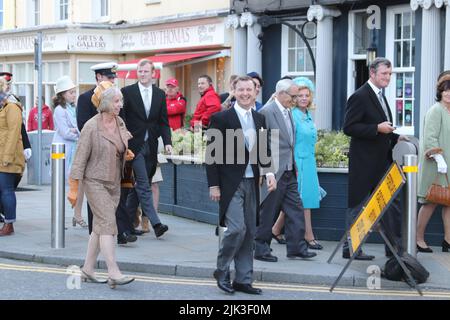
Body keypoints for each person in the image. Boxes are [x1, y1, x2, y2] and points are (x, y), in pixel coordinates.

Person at [206, 76, 277, 295]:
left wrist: (270, 173)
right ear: (233, 91)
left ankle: (243, 280)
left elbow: (263, 150)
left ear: (256, 92)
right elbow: (212, 156)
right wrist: (214, 186)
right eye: (241, 89)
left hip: (252, 182)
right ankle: (222, 269)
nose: (245, 93)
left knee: (249, 232)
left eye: (249, 89)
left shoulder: (259, 118)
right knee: (236, 229)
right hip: (230, 184)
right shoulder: (221, 118)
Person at [67, 81, 135, 288]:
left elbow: (123, 148)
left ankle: (87, 268)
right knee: (108, 224)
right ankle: (113, 271)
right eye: (116, 101)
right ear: (105, 102)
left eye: (120, 101)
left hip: (114, 182)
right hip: (94, 181)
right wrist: (75, 192)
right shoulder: (91, 126)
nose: (120, 105)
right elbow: (78, 161)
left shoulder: (119, 122)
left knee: (99, 228)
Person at [343, 57, 406, 260]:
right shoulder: (360, 96)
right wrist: (377, 128)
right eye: (384, 74)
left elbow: (381, 126)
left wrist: (396, 137)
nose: (387, 77)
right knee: (359, 205)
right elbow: (349, 128)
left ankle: (394, 250)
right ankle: (351, 248)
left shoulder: (380, 95)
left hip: (382, 162)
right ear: (372, 73)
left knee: (390, 204)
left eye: (389, 74)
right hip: (364, 163)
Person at [254, 78, 317, 262]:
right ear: (281, 94)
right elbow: (261, 144)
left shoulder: (288, 111)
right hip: (274, 172)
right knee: (268, 212)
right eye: (293, 96)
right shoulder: (266, 112)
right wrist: (267, 172)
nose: (296, 99)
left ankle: (297, 248)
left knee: (296, 209)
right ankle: (261, 249)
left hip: (289, 170)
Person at [121, 59, 172, 239]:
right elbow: (122, 118)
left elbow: (163, 122)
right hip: (133, 146)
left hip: (151, 145)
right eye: (140, 71)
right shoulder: (127, 92)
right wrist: (124, 135)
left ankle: (124, 225)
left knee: (136, 189)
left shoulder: (159, 94)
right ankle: (156, 224)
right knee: (143, 184)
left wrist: (167, 142)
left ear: (153, 74)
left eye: (145, 71)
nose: (142, 74)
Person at [76, 62, 118, 234]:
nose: (113, 81)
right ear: (99, 77)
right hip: (94, 155)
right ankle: (96, 230)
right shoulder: (86, 98)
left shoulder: (116, 97)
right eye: (109, 77)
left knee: (114, 193)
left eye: (114, 78)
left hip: (113, 155)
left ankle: (117, 230)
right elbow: (82, 125)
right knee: (94, 194)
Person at [416, 73, 450, 253]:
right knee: (431, 202)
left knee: (449, 202)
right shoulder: (436, 110)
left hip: (448, 164)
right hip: (436, 165)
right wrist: (439, 158)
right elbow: (430, 138)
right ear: (440, 91)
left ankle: (448, 241)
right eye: (446, 90)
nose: (449, 93)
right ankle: (418, 238)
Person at [0, 77, 25, 236]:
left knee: (6, 190)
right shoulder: (3, 107)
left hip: (7, 157)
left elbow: (14, 132)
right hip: (2, 155)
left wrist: (7, 157)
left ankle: (9, 224)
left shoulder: (12, 107)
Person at [52, 76, 79, 182]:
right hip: (63, 149)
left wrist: (75, 129)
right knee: (61, 179)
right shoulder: (59, 110)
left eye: (74, 92)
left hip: (72, 148)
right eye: (71, 92)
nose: (74, 95)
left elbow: (76, 127)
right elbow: (65, 133)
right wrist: (77, 133)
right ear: (62, 94)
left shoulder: (72, 107)